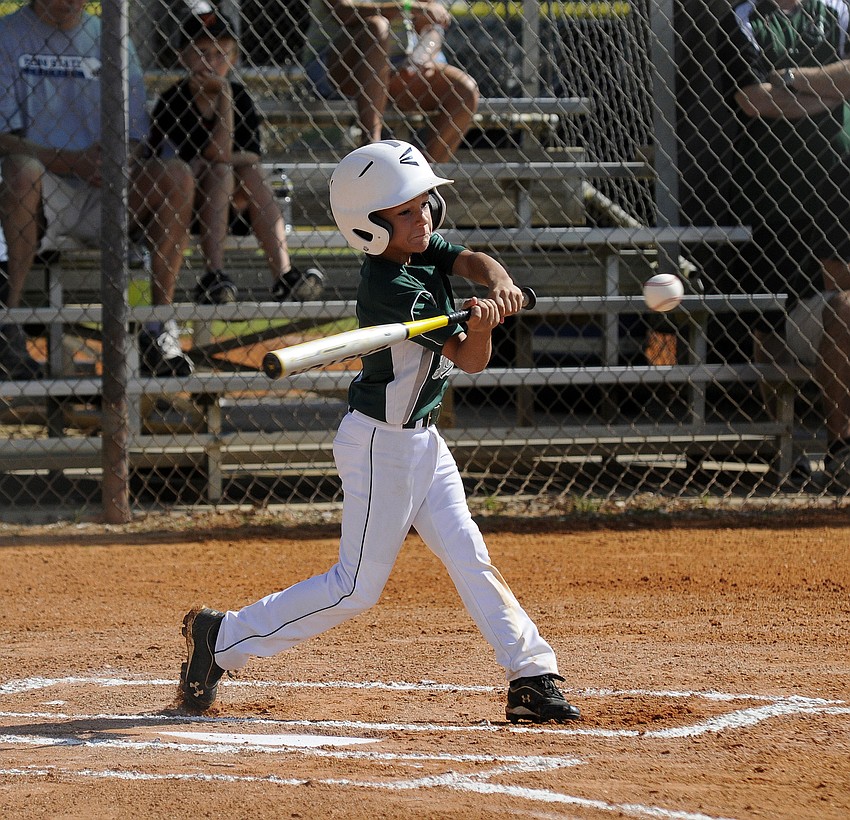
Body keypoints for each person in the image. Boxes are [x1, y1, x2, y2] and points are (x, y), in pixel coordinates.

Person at [178, 140, 580, 724]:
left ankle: (531, 673)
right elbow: (470, 360)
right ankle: (224, 639)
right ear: (370, 228)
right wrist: (485, 326)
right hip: (379, 446)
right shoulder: (390, 288)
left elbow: (472, 260)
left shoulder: (418, 249)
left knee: (469, 554)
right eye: (407, 212)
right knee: (355, 588)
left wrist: (498, 285)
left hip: (423, 441)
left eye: (425, 206)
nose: (424, 218)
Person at [0, 0, 196, 379]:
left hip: (107, 185)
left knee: (176, 175)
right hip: (39, 188)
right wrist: (68, 160)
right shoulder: (7, 34)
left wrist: (114, 161)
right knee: (21, 171)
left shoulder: (111, 38)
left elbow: (137, 133)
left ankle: (158, 328)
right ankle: (9, 321)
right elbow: (3, 138)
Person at [716, 0, 850, 490]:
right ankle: (840, 448)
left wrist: (792, 77)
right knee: (840, 309)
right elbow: (753, 99)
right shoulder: (745, 16)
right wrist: (830, 91)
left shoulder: (836, 10)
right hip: (778, 220)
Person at [149, 11, 324, 305]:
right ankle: (213, 275)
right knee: (221, 172)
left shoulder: (239, 95)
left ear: (232, 58)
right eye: (201, 52)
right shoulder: (172, 100)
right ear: (183, 57)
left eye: (220, 54)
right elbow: (212, 157)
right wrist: (220, 158)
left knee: (248, 172)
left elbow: (245, 156)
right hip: (187, 212)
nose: (211, 62)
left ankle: (284, 275)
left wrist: (226, 98)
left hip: (235, 207)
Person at [302, 0, 479, 162]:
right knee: (378, 25)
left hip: (396, 66)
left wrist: (418, 58)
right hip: (334, 66)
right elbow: (343, 12)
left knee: (465, 91)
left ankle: (421, 183)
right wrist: (407, 7)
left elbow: (432, 25)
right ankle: (371, 150)